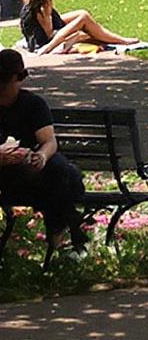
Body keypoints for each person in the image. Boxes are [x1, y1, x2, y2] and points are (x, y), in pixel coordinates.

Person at [0, 50, 88, 250]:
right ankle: (67, 229)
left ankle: (61, 231)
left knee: (57, 166)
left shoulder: (33, 104)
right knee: (69, 176)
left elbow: (49, 142)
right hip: (4, 177)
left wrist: (41, 155)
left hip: (33, 174)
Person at [18, 0, 140, 55]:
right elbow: (51, 36)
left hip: (50, 32)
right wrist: (47, 49)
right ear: (46, 2)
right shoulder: (43, 13)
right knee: (83, 19)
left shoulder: (31, 8)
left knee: (82, 14)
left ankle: (106, 35)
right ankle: (121, 40)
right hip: (47, 41)